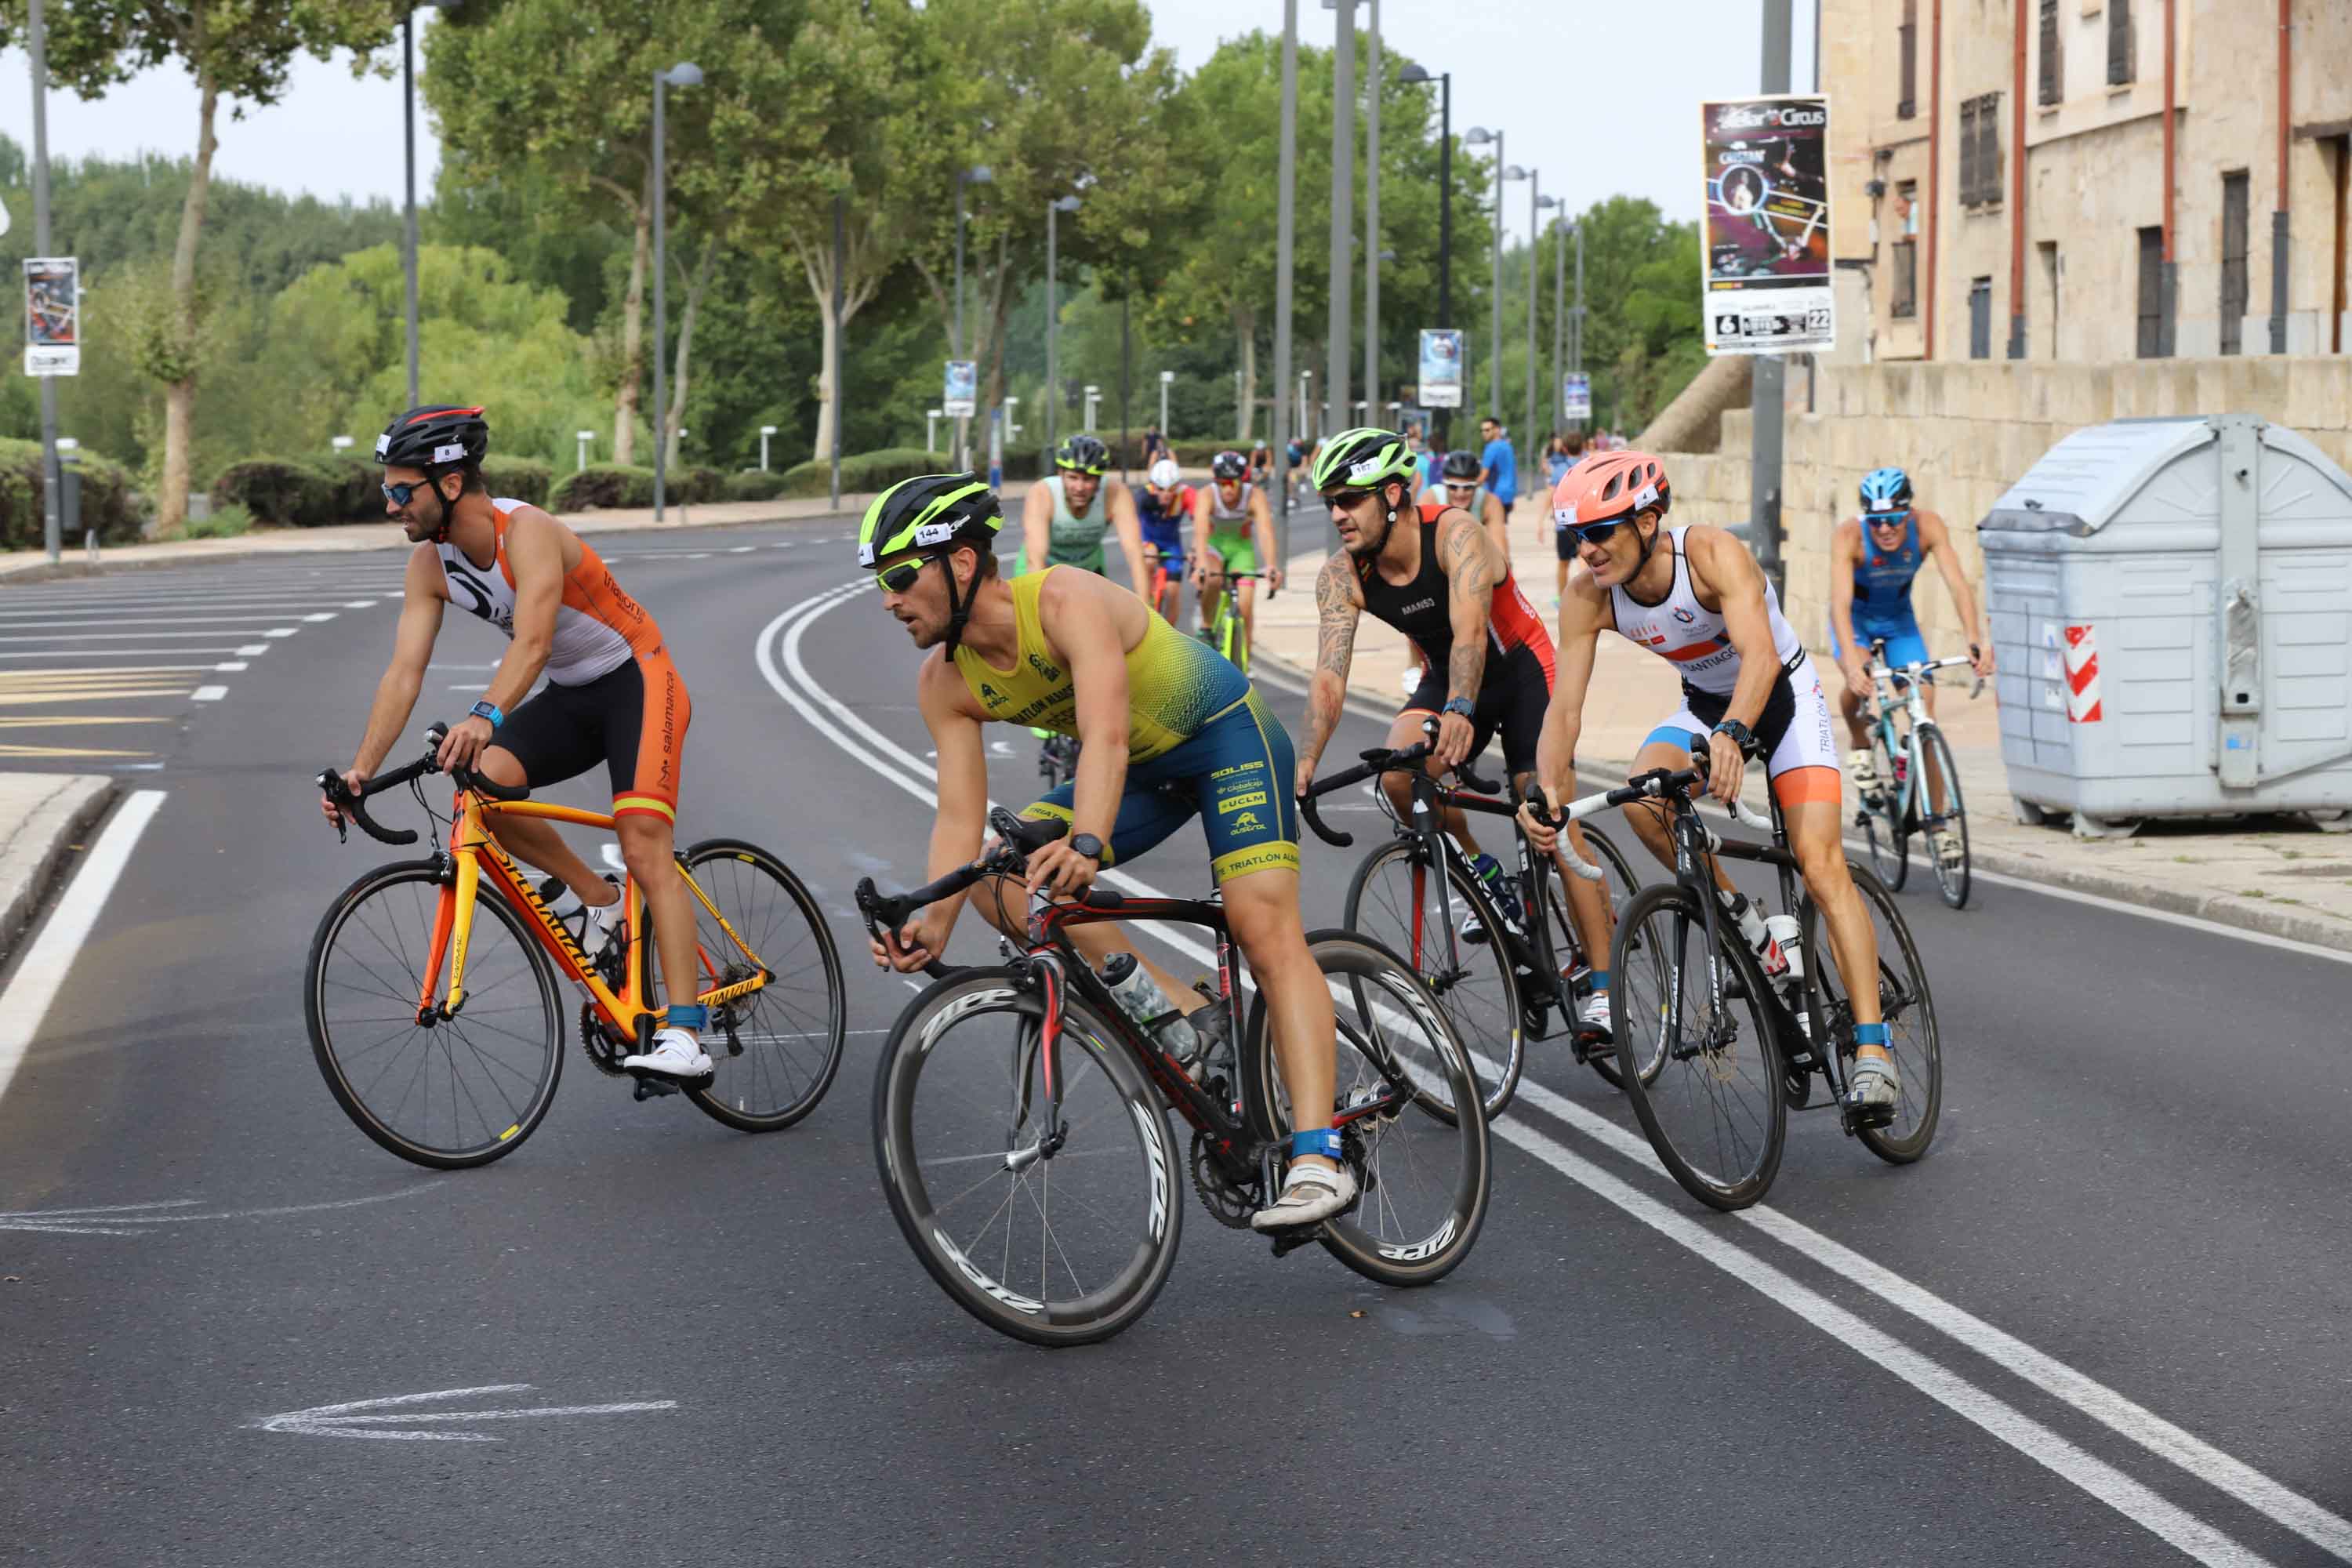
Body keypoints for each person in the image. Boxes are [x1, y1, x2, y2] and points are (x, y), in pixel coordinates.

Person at [860, 474, 1356, 1230]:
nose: (888, 600)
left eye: (898, 577)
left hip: (1224, 739)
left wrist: (1086, 843)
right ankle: (1184, 1018)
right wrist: (930, 923)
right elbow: (958, 821)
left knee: (1262, 928)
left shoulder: (1064, 600)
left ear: (960, 563)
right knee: (1000, 873)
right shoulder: (944, 683)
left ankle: (1319, 1157)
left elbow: (1108, 736)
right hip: (1143, 777)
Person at [321, 404, 710, 1081]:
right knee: (485, 788)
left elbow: (532, 641)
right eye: (386, 490)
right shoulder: (429, 566)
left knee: (644, 837)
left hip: (638, 677)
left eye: (398, 490)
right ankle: (599, 900)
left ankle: (685, 1036)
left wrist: (484, 715)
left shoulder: (525, 530)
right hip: (570, 693)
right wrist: (360, 773)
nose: (389, 505)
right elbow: (403, 673)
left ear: (448, 484)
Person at [1519, 451, 1900, 1120]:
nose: (1588, 550)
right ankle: (1749, 925)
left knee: (1819, 864)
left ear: (1648, 519)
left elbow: (1759, 657)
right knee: (1644, 797)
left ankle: (1874, 1052)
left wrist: (1733, 734)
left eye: (1601, 531)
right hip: (1704, 703)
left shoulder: (1711, 555)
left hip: (1782, 696)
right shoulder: (1588, 595)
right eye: (1577, 536)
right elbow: (1565, 710)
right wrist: (1548, 789)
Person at [1293, 429, 1615, 1031]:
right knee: (1398, 776)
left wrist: (1464, 712)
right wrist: (1308, 756)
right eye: (1330, 501)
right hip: (1447, 678)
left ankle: (1604, 988)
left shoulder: (1457, 533)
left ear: (1393, 494)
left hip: (1519, 669)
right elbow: (1330, 676)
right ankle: (1484, 874)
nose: (1337, 513)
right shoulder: (1341, 575)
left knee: (1547, 809)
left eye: (1350, 498)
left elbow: (1472, 635)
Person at [1829, 466, 1994, 866]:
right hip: (1858, 623)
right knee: (1859, 689)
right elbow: (1839, 604)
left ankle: (1939, 826)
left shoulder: (1928, 527)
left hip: (1900, 622)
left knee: (1926, 715)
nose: (1885, 529)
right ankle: (1861, 745)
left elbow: (1957, 583)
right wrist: (1853, 663)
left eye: (1894, 519)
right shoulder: (1850, 536)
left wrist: (1975, 638)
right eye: (1877, 520)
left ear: (1909, 511)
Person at [1019, 433, 1149, 593]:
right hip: (1044, 568)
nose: (1079, 487)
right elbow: (1036, 558)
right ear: (1061, 474)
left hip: (1089, 569)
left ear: (1099, 480)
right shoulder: (1042, 493)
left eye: (1087, 479)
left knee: (1100, 615)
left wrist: (1147, 610)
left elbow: (1135, 554)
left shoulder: (1116, 494)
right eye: (1073, 478)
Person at [1191, 448, 1283, 661]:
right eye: (1223, 483)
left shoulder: (1254, 496)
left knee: (1246, 606)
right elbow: (1201, 532)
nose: (1228, 489)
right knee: (1211, 580)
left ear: (1243, 481)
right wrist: (1201, 565)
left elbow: (1265, 532)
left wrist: (1271, 565)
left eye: (1233, 482)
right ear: (1216, 482)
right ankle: (1206, 627)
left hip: (1242, 549)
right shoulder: (1206, 495)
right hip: (1214, 548)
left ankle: (1244, 661)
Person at [1135, 456, 1193, 620]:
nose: (1166, 494)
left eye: (1172, 488)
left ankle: (1168, 637)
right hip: (1148, 540)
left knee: (1173, 591)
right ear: (1153, 485)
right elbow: (1131, 523)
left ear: (1178, 485)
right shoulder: (1143, 495)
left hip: (1171, 544)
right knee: (1149, 559)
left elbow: (1201, 522)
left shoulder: (1187, 494)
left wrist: (1195, 550)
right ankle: (1144, 604)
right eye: (1161, 489)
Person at [1477, 416, 1518, 516]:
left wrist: (1469, 487)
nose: (1484, 433)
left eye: (1487, 430)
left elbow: (1483, 475)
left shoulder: (1491, 448)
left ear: (1497, 430)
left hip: (1495, 495)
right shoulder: (1507, 446)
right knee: (1500, 526)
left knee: (1489, 527)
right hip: (1508, 494)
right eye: (1482, 430)